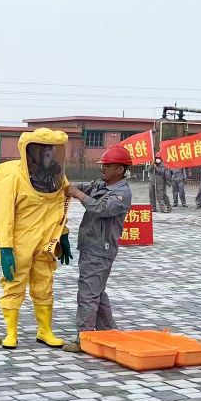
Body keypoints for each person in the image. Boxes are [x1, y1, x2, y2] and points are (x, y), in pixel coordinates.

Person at [0, 128, 72, 350]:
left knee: (45, 284)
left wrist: (63, 234)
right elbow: (4, 214)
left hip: (46, 241)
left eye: (51, 150)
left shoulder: (57, 177)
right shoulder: (13, 178)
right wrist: (5, 248)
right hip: (20, 241)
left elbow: (60, 207)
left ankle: (45, 331)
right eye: (43, 150)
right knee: (14, 283)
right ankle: (11, 333)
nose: (48, 154)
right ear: (31, 151)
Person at [62, 146, 133, 353]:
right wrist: (67, 186)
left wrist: (77, 194)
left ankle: (84, 338)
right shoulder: (101, 184)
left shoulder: (121, 193)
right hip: (91, 246)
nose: (103, 169)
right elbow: (84, 187)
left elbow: (101, 208)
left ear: (120, 169)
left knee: (87, 295)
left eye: (108, 166)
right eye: (103, 165)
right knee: (96, 292)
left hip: (100, 249)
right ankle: (109, 332)